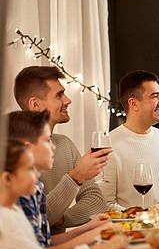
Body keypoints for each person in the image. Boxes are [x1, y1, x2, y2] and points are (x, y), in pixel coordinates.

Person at [0, 138, 129, 249]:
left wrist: (86, 229)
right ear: (7, 178)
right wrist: (100, 248)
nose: (38, 176)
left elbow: (41, 246)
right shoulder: (5, 219)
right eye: (30, 170)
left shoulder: (14, 211)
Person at [7, 110, 122, 249]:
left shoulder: (35, 188)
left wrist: (87, 229)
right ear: (28, 146)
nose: (54, 146)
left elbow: (43, 243)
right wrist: (96, 244)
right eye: (48, 140)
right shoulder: (13, 197)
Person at [14, 66, 109, 234]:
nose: (67, 100)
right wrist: (76, 176)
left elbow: (96, 200)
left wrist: (63, 219)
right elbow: (33, 217)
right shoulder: (11, 152)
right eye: (59, 95)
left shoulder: (64, 144)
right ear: (35, 104)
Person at [100, 70, 159, 210]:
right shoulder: (108, 146)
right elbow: (105, 205)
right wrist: (147, 217)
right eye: (155, 96)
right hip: (131, 230)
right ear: (134, 104)